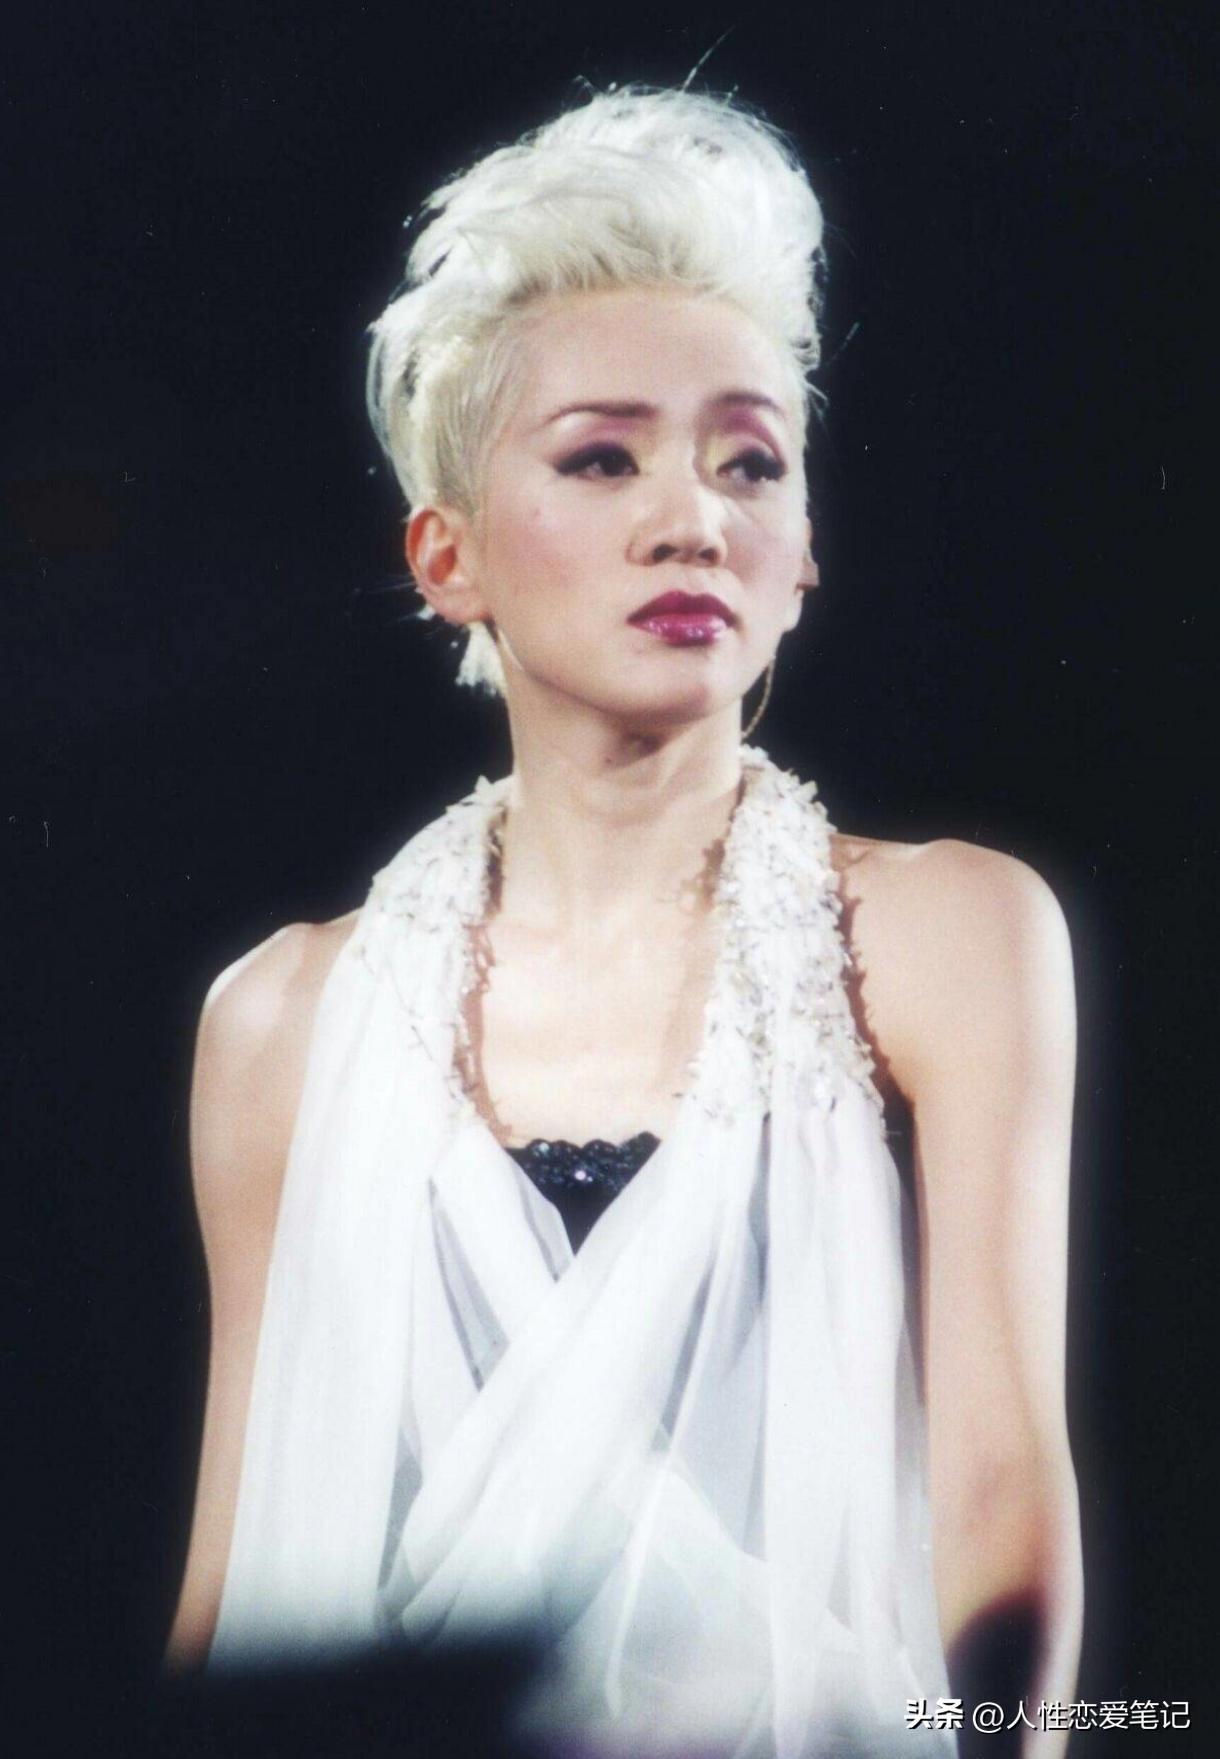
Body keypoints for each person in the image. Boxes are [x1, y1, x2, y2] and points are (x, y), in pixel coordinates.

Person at [165, 87, 1082, 1757]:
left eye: (751, 463)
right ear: (448, 557)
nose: (693, 519)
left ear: (803, 555)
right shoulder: (280, 1021)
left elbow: (1002, 1500)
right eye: (602, 457)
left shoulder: (949, 935)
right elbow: (234, 1594)